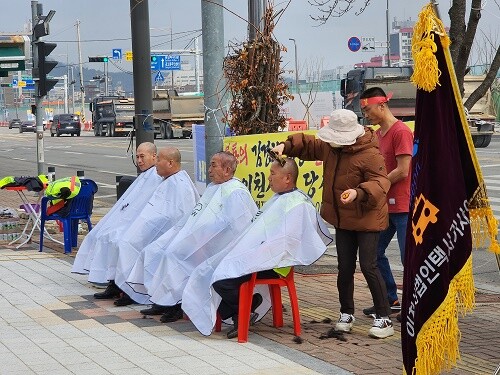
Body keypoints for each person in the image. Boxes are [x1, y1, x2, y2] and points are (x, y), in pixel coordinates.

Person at [272, 108, 394, 339]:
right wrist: (285, 146)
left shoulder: (370, 154)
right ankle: (346, 313)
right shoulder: (330, 147)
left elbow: (381, 182)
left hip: (367, 217)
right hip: (343, 218)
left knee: (369, 266)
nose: (332, 142)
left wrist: (358, 193)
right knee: (344, 268)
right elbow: (308, 145)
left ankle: (384, 317)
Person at [181, 158, 333, 338]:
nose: (269, 178)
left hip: (276, 264)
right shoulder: (279, 198)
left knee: (222, 279)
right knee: (208, 271)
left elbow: (286, 243)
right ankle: (244, 310)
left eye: (273, 174)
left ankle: (243, 314)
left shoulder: (297, 203)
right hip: (263, 256)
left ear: (287, 178)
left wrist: (254, 254)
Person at [126, 151, 258, 322]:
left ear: (226, 170)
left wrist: (202, 241)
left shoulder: (235, 191)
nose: (209, 170)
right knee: (157, 251)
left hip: (221, 248)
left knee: (174, 257)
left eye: (213, 165)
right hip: (203, 242)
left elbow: (236, 229)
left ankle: (175, 305)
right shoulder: (214, 187)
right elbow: (196, 216)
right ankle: (162, 300)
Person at [95, 146, 200, 306]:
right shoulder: (168, 180)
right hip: (158, 229)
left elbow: (178, 218)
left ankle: (143, 294)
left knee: (131, 245)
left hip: (170, 235)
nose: (155, 163)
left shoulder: (180, 183)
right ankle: (122, 285)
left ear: (170, 163)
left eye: (158, 159)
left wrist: (148, 226)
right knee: (120, 240)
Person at [359, 87, 413, 319]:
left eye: (368, 109)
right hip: (385, 206)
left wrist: (378, 185)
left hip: (403, 206)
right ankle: (389, 298)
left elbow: (403, 171)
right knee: (372, 254)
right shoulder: (377, 134)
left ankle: (414, 305)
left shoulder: (401, 131)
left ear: (382, 105)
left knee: (407, 258)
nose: (366, 114)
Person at [72, 142, 162, 279]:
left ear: (154, 156)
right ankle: (108, 278)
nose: (139, 161)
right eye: (137, 157)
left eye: (142, 156)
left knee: (116, 240)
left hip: (141, 224)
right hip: (128, 220)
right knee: (99, 234)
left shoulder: (156, 177)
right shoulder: (144, 176)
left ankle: (117, 281)